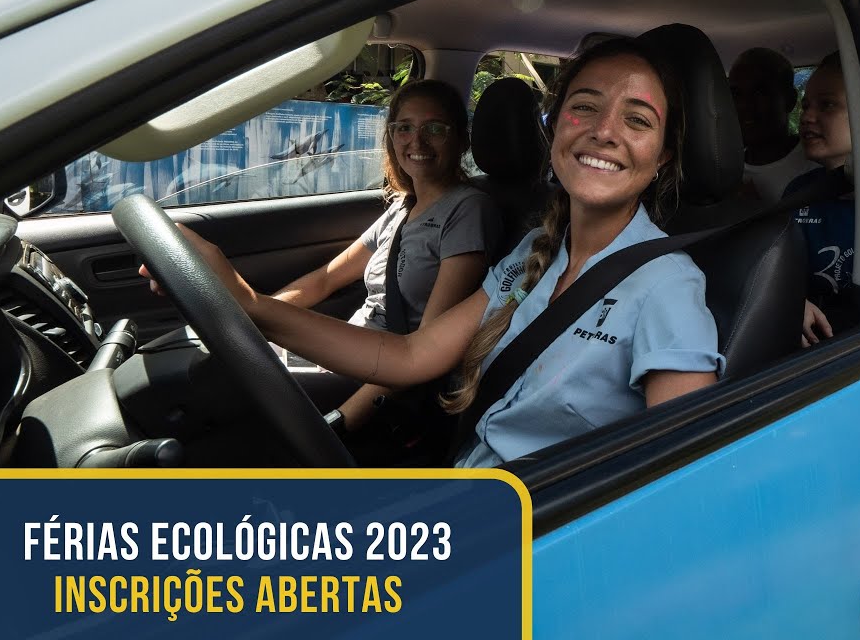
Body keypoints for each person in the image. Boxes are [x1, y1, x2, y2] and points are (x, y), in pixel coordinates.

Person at [148, 38, 725, 468]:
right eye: (585, 107)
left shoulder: (668, 286)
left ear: (663, 158)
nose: (604, 131)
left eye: (637, 120)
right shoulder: (537, 251)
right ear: (553, 130)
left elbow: (679, 477)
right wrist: (247, 303)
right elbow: (410, 356)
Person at [268, 79, 501, 442]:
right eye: (404, 128)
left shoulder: (468, 210)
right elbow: (325, 279)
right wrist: (255, 317)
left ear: (460, 139)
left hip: (380, 376)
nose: (416, 141)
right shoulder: (402, 207)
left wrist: (341, 424)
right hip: (348, 351)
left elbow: (422, 352)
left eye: (434, 129)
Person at [784, 52, 857, 347]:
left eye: (827, 105)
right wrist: (790, 301)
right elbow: (778, 274)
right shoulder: (798, 192)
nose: (807, 117)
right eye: (806, 105)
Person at [728, 47, 810, 204]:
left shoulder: (817, 165)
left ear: (790, 100)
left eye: (760, 92)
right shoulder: (723, 171)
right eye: (736, 94)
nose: (745, 105)